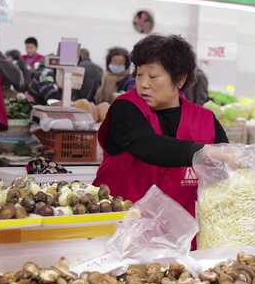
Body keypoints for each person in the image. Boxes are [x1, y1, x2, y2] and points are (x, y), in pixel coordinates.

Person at [93, 34, 230, 222]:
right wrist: (202, 152)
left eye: (153, 76)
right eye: (139, 75)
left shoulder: (205, 120)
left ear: (180, 79)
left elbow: (224, 176)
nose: (143, 84)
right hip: (121, 236)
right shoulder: (125, 108)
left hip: (184, 244)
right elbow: (148, 145)